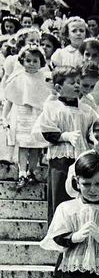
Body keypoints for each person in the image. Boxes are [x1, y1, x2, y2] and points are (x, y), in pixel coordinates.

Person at [34, 65, 96, 222]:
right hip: (60, 158)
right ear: (58, 87)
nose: (77, 85)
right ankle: (58, 233)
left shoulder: (87, 109)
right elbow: (46, 130)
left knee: (80, 194)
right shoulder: (52, 107)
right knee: (60, 194)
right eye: (71, 82)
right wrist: (65, 136)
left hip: (82, 157)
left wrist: (93, 138)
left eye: (78, 82)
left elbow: (94, 129)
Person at [2, 43, 50, 188]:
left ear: (41, 62)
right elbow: (10, 99)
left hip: (37, 114)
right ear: (22, 61)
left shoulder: (43, 78)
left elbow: (47, 98)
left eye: (35, 61)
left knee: (35, 145)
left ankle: (32, 171)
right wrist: (5, 117)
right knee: (23, 144)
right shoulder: (18, 77)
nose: (31, 64)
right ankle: (22, 172)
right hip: (22, 114)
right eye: (28, 60)